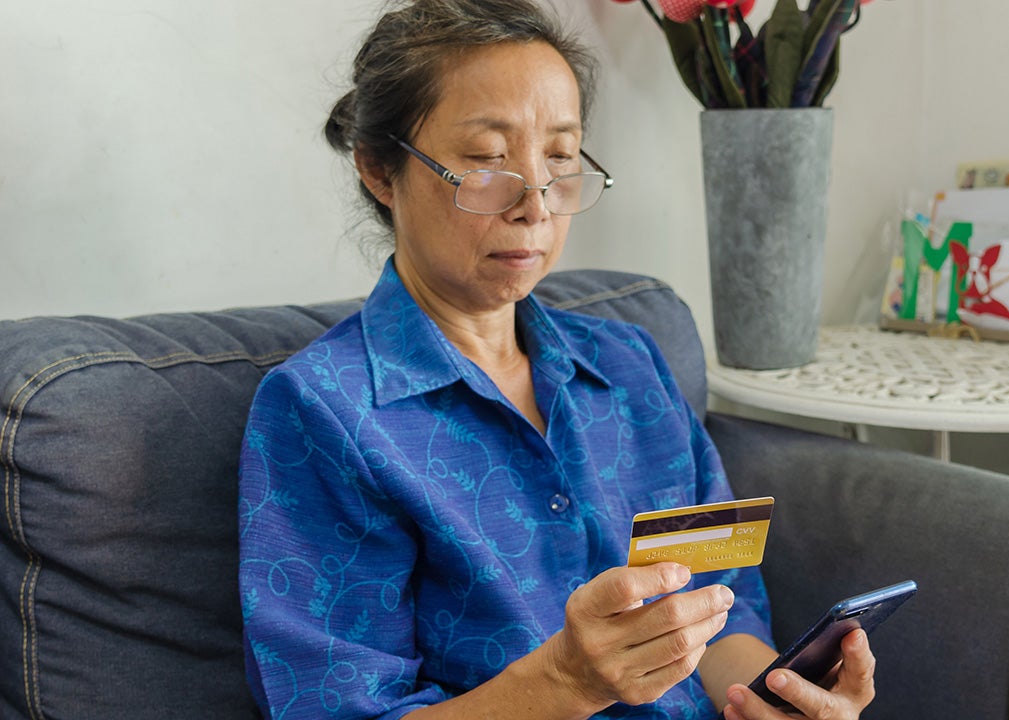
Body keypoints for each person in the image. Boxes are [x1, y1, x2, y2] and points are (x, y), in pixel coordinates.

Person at [237, 1, 877, 718]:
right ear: (381, 170)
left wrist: (781, 696)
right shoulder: (323, 410)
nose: (535, 205)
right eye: (486, 161)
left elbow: (720, 609)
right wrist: (565, 683)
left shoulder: (632, 366)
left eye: (562, 158)